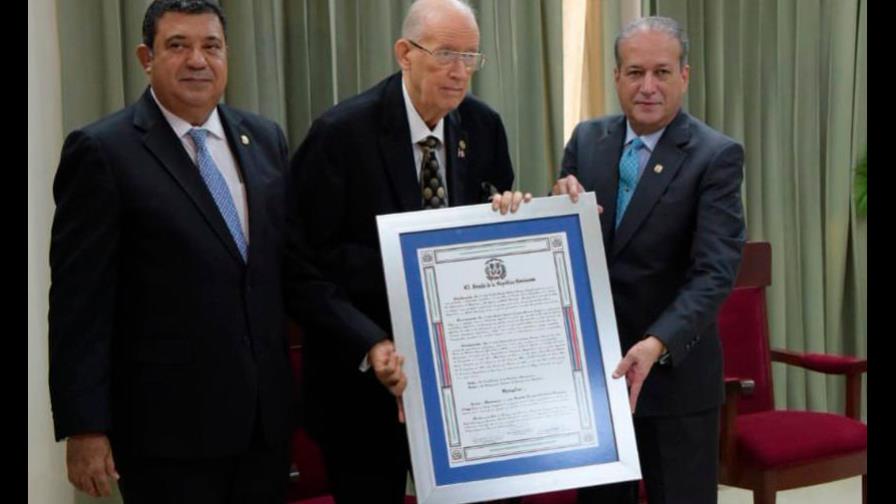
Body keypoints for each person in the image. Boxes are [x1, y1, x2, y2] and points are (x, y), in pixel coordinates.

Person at [48, 1, 294, 501]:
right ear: (146, 56)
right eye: (178, 46)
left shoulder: (264, 139)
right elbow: (80, 304)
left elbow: (280, 270)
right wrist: (85, 428)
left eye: (211, 46)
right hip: (167, 436)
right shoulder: (103, 152)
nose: (197, 61)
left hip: (262, 429)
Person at [283, 0, 529, 501]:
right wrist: (371, 343)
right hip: (363, 386)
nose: (460, 72)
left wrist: (510, 217)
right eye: (445, 55)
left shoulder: (483, 128)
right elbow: (301, 268)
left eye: (470, 57)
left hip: (464, 386)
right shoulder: (341, 135)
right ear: (404, 53)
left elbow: (488, 246)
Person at [552, 16, 746, 504]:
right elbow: (569, 254)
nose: (648, 87)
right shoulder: (586, 141)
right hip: (598, 380)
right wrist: (555, 208)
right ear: (616, 77)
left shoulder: (716, 156)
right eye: (635, 72)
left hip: (674, 379)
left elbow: (714, 272)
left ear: (685, 76)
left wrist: (655, 343)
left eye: (662, 72)